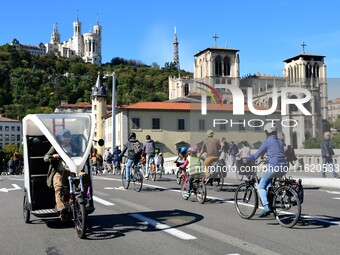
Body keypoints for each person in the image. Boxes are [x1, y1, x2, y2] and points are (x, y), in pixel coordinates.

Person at [245, 123, 288, 217]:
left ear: (267, 132)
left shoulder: (267, 141)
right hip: (284, 167)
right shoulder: (280, 141)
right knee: (268, 183)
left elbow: (256, 155)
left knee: (261, 186)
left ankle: (266, 207)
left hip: (274, 167)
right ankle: (271, 200)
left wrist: (246, 159)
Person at [44, 129, 74, 221]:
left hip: (72, 171)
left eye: (68, 136)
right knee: (58, 187)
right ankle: (61, 210)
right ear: (61, 138)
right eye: (64, 136)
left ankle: (80, 203)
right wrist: (53, 156)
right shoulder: (56, 147)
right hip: (60, 172)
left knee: (84, 177)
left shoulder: (74, 146)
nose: (66, 138)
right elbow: (45, 157)